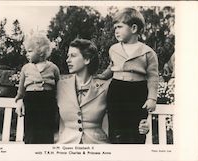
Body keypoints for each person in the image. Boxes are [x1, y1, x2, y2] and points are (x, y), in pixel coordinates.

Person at [56, 38, 150, 144]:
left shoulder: (105, 87)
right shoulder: (60, 86)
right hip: (66, 148)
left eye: (73, 56)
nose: (67, 60)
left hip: (98, 147)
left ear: (87, 59)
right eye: (68, 56)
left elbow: (126, 109)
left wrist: (143, 122)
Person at [97, 8, 159, 144]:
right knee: (117, 129)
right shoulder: (113, 49)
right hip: (117, 90)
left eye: (119, 27)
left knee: (137, 130)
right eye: (115, 28)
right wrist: (103, 76)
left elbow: (153, 77)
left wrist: (152, 98)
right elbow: (112, 67)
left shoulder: (148, 52)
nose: (116, 31)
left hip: (138, 92)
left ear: (134, 28)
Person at [15, 33, 60, 144]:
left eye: (30, 51)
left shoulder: (53, 68)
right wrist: (19, 101)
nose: (27, 54)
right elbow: (21, 90)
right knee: (31, 131)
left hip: (48, 101)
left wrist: (58, 105)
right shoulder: (26, 68)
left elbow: (59, 89)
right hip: (31, 101)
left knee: (46, 132)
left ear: (40, 52)